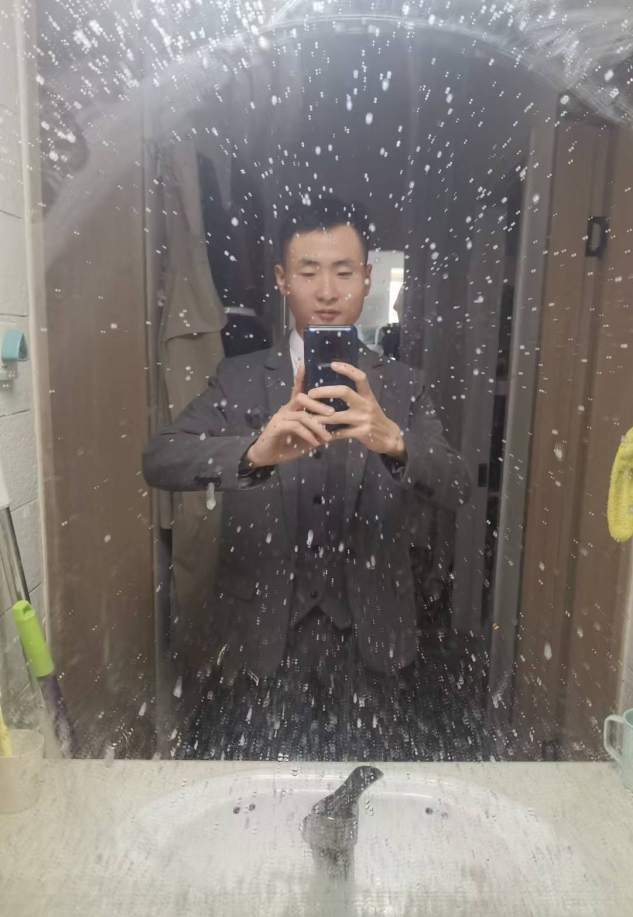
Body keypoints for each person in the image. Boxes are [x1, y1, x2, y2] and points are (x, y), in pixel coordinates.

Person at [143, 196, 471, 760]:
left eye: (343, 272)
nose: (326, 291)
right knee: (257, 794)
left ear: (367, 279)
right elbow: (160, 459)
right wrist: (253, 452)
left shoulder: (402, 385)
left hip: (373, 636)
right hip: (260, 634)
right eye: (308, 271)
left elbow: (458, 486)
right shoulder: (240, 379)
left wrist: (395, 440)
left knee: (367, 790)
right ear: (282, 280)